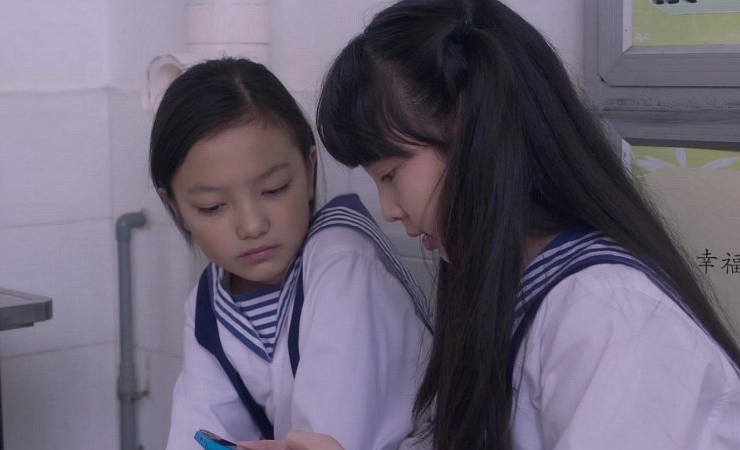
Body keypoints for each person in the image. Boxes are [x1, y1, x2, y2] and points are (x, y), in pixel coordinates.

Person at [242, 0, 740, 449]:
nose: (390, 209)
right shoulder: (507, 287)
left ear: (473, 130)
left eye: (391, 174)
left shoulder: (611, 312)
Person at [149, 57, 432, 450]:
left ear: (309, 170)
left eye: (274, 189)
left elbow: (331, 440)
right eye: (212, 207)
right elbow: (197, 434)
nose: (252, 226)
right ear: (175, 207)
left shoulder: (343, 266)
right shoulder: (209, 304)